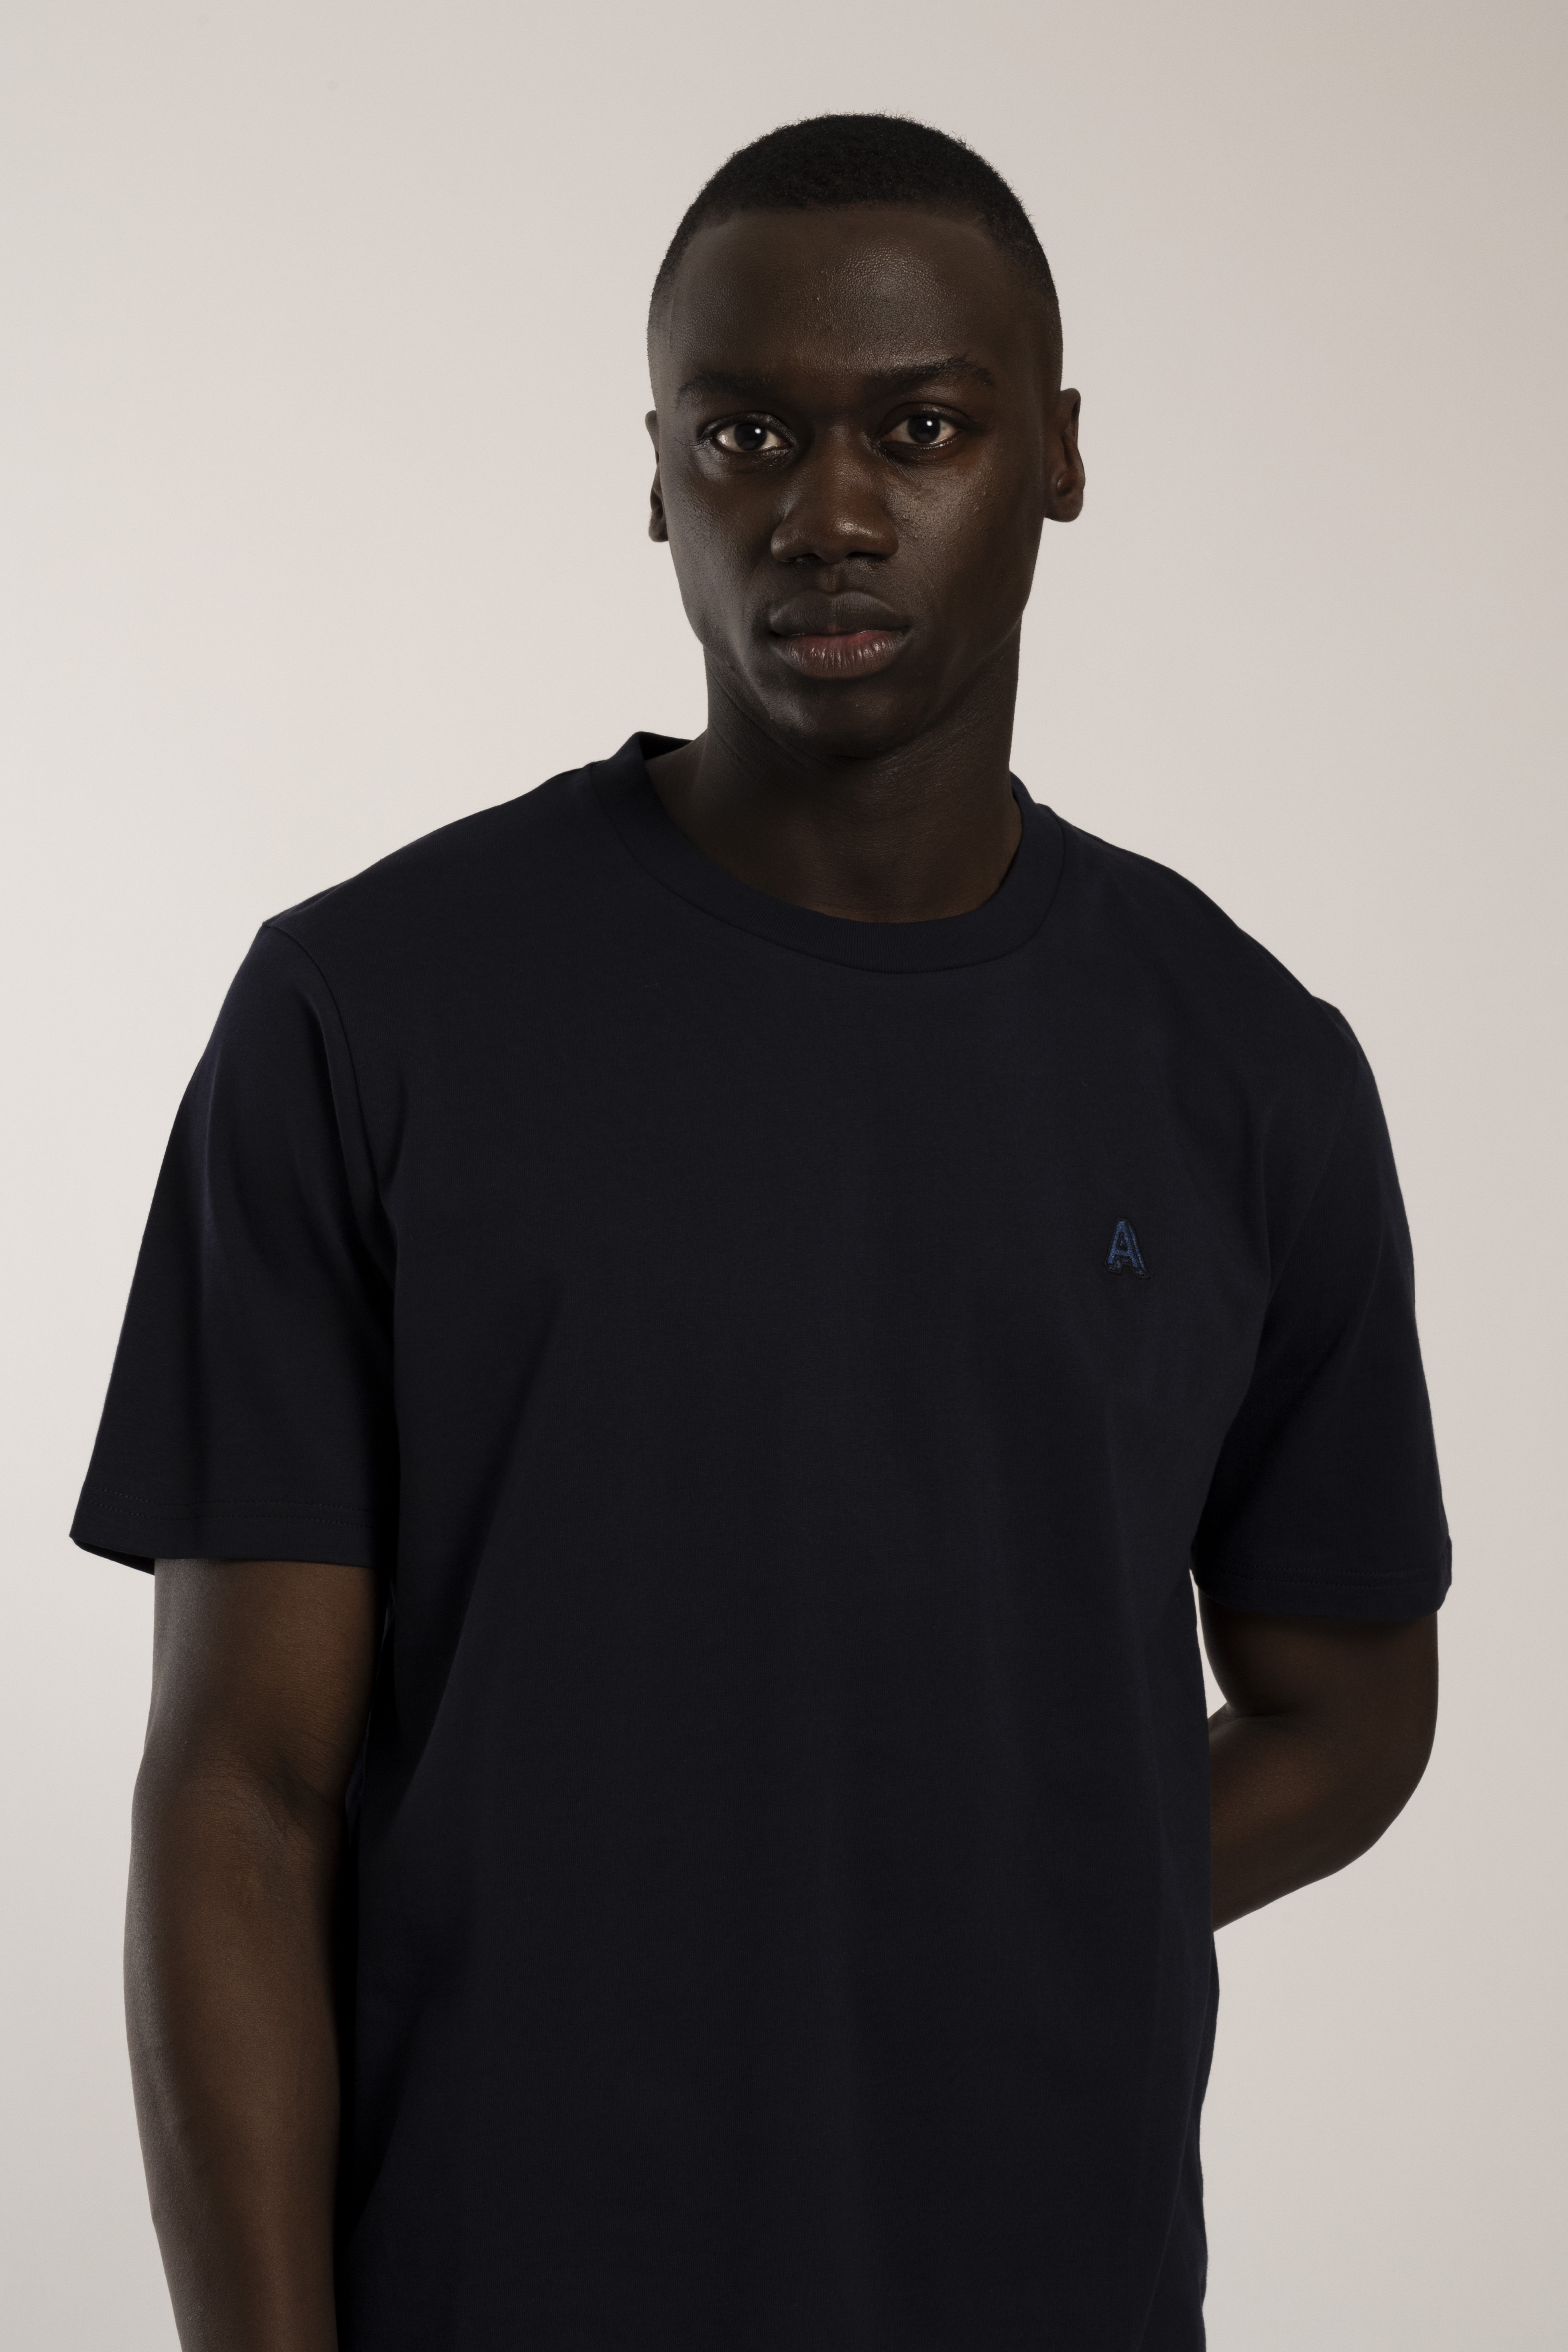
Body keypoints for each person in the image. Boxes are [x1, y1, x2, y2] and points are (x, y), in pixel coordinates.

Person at [72, 114, 1449, 2352]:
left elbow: (1349, 1710)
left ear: (1057, 455)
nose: (826, 512)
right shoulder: (369, 1012)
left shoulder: (1246, 1068)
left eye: (921, 428)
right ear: (656, 476)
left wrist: (996, 1912)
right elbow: (240, 1797)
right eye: (744, 434)